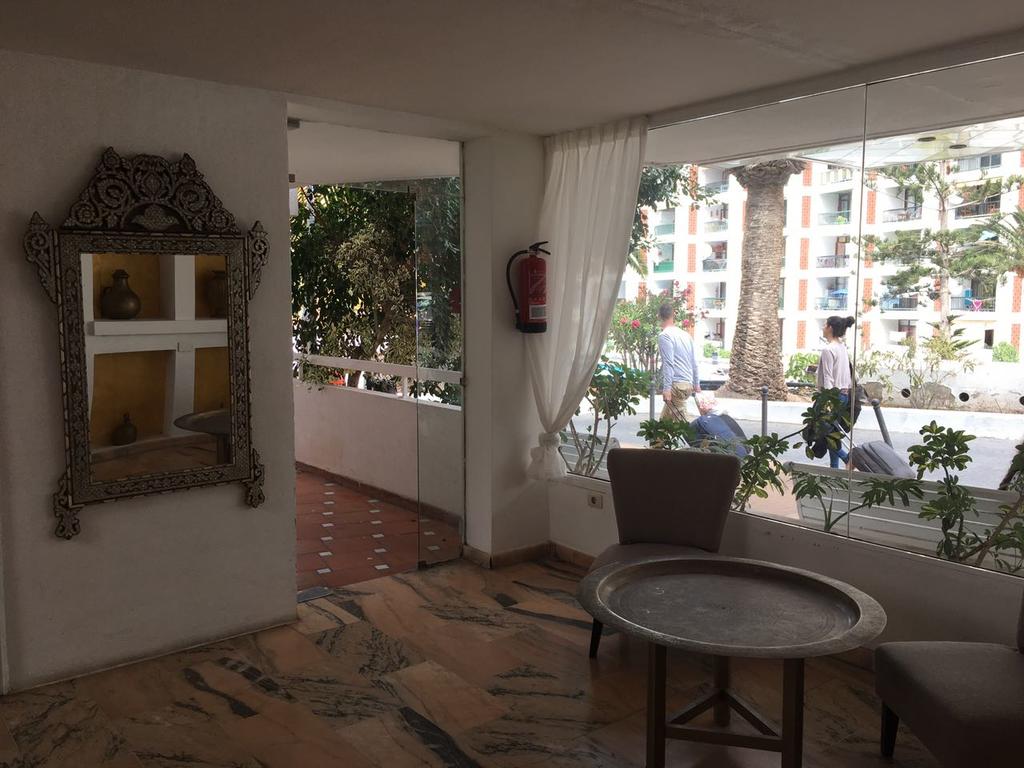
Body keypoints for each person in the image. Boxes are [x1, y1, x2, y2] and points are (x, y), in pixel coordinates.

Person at [816, 315, 855, 468]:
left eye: (824, 324)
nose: (823, 327)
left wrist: (827, 400)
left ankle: (847, 459)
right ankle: (834, 468)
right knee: (833, 433)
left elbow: (828, 377)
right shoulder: (842, 347)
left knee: (825, 432)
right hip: (844, 395)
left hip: (832, 396)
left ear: (830, 328)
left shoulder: (828, 349)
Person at [657, 302, 700, 421]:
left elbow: (668, 363)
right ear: (673, 315)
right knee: (665, 425)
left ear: (659, 316)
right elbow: (694, 362)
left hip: (676, 386)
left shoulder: (664, 336)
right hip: (687, 385)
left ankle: (700, 434)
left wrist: (667, 389)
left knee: (682, 425)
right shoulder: (686, 335)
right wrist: (696, 384)